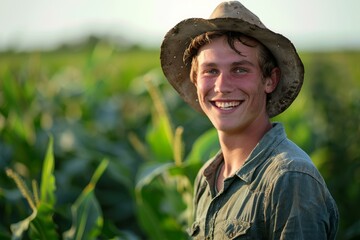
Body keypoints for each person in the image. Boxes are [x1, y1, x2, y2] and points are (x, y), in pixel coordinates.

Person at [160, 1, 339, 239]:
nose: (222, 86)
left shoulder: (290, 178)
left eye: (240, 70)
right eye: (210, 71)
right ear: (196, 80)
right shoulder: (207, 177)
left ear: (270, 80)